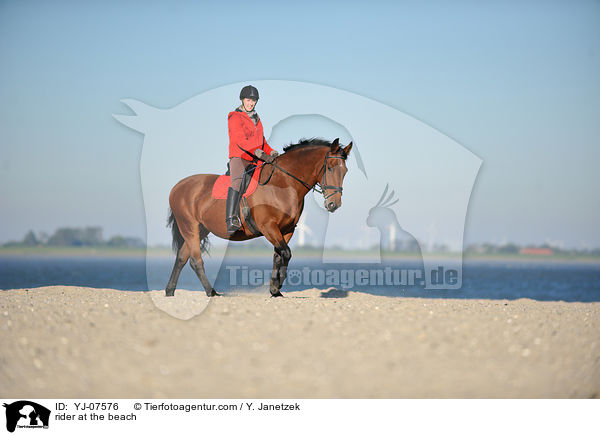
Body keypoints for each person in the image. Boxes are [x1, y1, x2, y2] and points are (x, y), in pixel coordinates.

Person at [226, 85, 279, 235]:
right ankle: (230, 218)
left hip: (256, 158)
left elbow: (261, 141)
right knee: (237, 181)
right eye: (248, 100)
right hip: (239, 157)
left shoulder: (257, 118)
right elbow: (240, 141)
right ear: (242, 100)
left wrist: (272, 152)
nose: (251, 103)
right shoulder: (234, 116)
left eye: (253, 101)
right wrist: (261, 154)